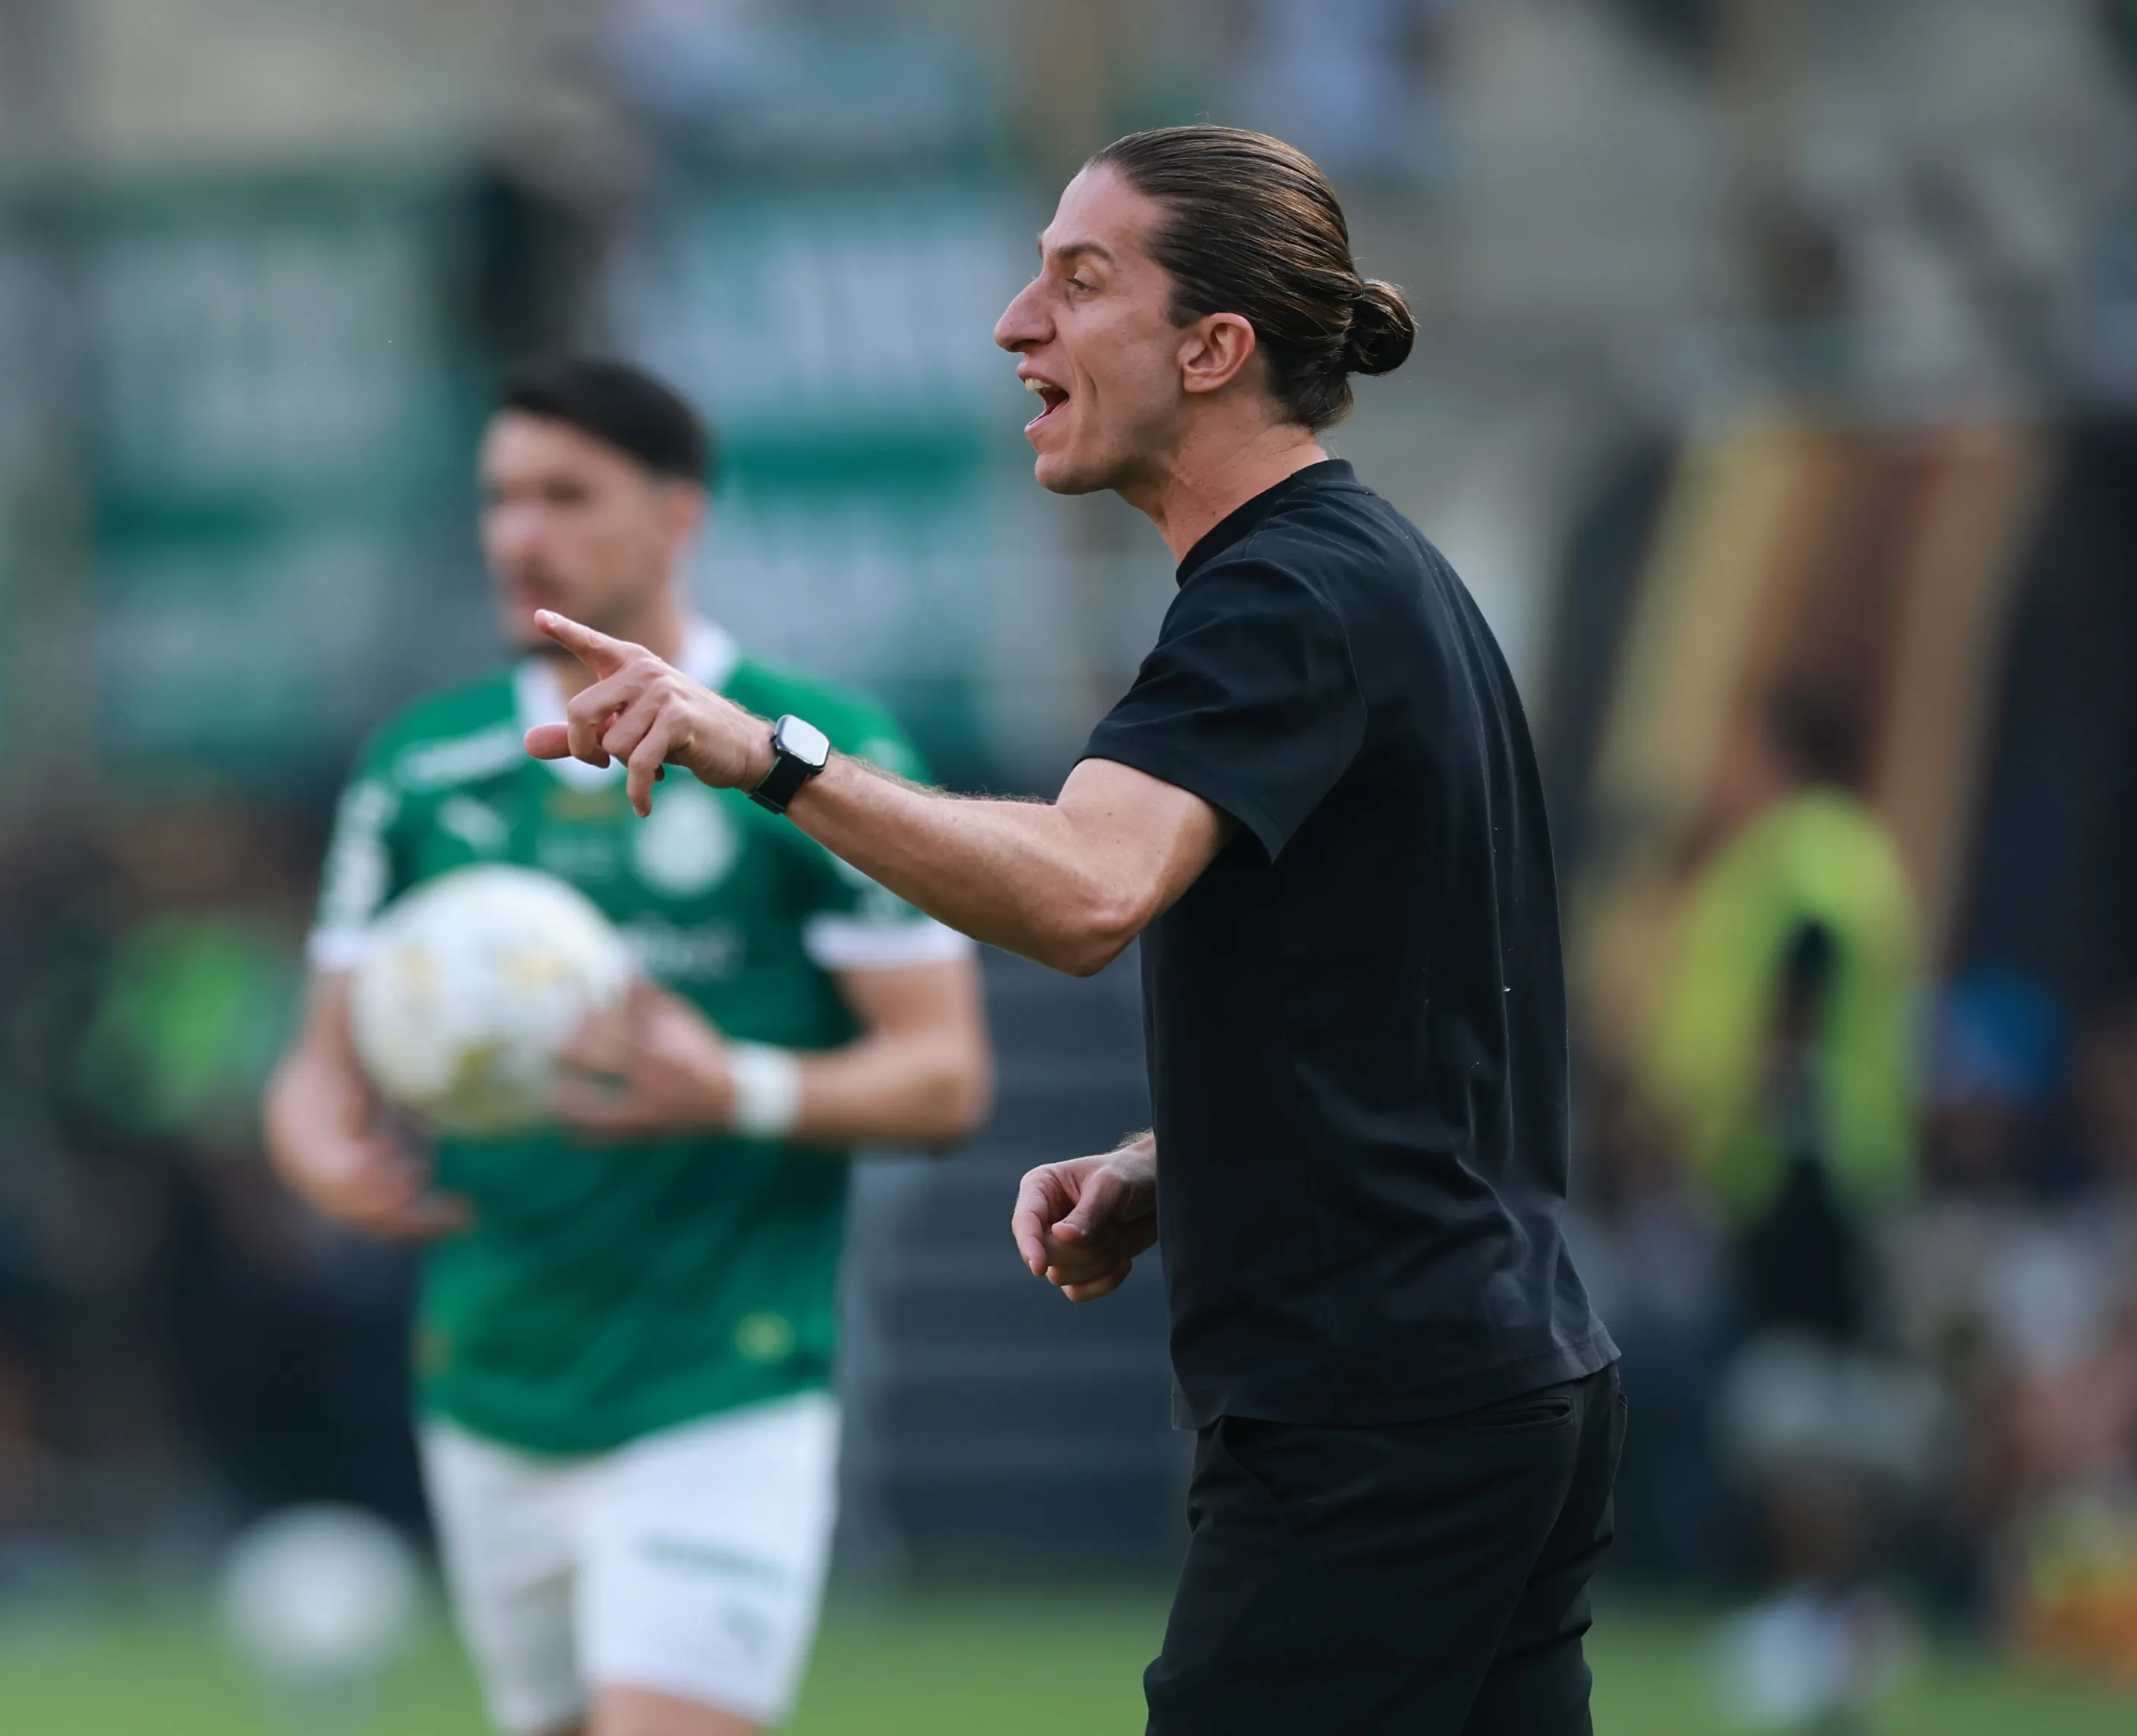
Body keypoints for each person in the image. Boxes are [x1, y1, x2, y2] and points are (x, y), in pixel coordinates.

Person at [524, 128, 1622, 1733]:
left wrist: (759, 747)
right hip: (1494, 1379)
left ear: (1212, 347)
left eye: (1076, 279)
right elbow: (1423, 1009)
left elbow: (1079, 891)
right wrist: (1183, 1159)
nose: (1012, 321)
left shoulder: (1280, 596)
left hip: (1370, 1410)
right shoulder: (1376, 573)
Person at [264, 359, 991, 1736]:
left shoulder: (810, 755)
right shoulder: (420, 771)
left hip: (724, 1378)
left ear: (677, 517)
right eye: (496, 497)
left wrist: (735, 1089)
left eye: (562, 495)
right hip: (489, 1375)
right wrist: (322, 1153)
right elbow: (319, 1064)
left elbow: (944, 1081)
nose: (516, 533)